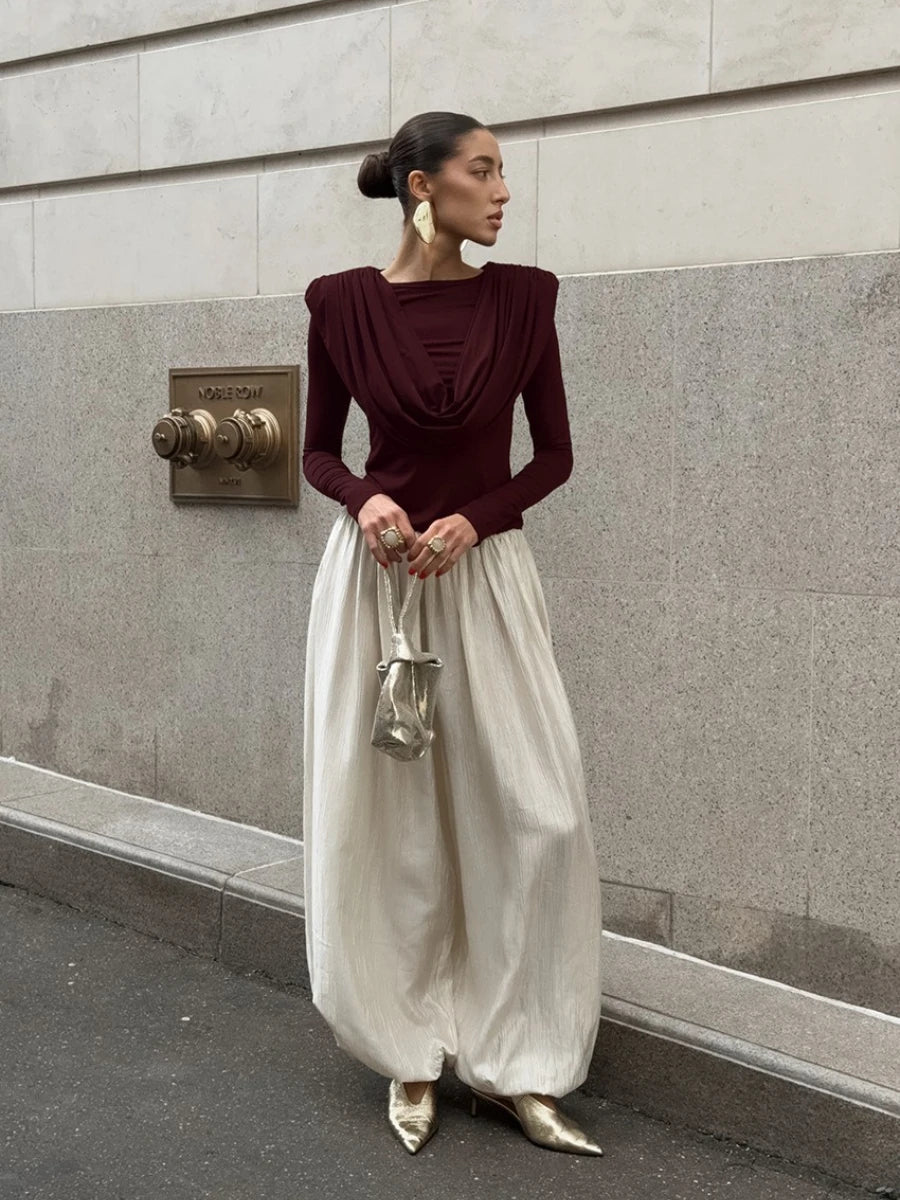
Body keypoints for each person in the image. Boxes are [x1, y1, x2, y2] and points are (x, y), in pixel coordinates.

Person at [301, 111, 603, 1157]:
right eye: (485, 170)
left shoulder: (525, 299)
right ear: (423, 186)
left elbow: (554, 455)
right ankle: (412, 1047)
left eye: (502, 172)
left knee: (536, 811)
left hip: (485, 579)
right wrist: (365, 501)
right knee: (393, 824)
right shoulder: (340, 304)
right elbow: (320, 452)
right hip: (380, 587)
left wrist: (477, 517)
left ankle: (522, 1056)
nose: (504, 190)